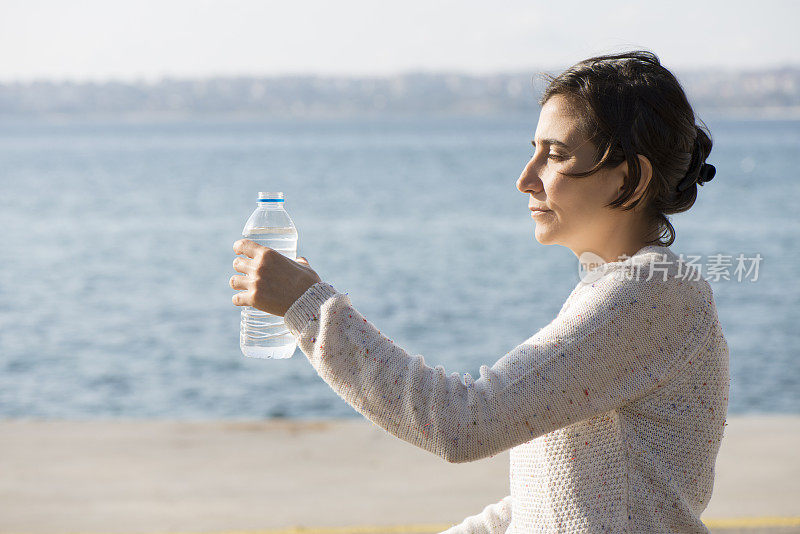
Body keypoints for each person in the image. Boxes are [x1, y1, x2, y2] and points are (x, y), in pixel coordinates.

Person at [229, 50, 730, 533]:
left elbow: (464, 422)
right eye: (532, 152)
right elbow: (550, 500)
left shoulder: (650, 296)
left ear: (633, 177)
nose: (525, 179)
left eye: (555, 155)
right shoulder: (623, 290)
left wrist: (309, 309)